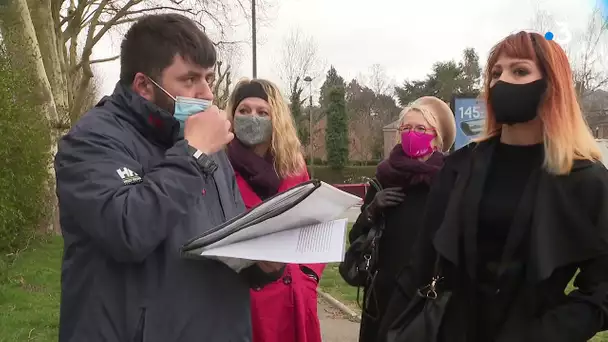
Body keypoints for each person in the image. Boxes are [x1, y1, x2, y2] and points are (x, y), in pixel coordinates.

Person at [54, 14, 284, 342]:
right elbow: (127, 230)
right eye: (190, 80)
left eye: (209, 78)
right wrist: (193, 153)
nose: (206, 94)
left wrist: (261, 265)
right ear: (144, 85)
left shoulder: (209, 145)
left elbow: (227, 237)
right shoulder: (90, 141)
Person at [382, 31, 608, 342]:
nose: (500, 82)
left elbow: (602, 288)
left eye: (520, 71)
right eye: (495, 73)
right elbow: (418, 265)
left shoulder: (585, 179)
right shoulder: (460, 167)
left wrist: (547, 333)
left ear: (552, 86)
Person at [347, 96, 455, 342]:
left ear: (436, 138)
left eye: (420, 128)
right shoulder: (384, 178)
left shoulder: (451, 181)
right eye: (405, 128)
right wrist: (372, 209)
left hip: (427, 297)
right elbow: (357, 237)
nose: (411, 133)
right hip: (383, 294)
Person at [225, 78, 325, 342]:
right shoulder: (218, 165)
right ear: (232, 116)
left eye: (262, 112)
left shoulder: (294, 167)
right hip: (240, 302)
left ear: (275, 118)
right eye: (244, 110)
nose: (252, 118)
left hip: (292, 300)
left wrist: (309, 275)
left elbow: (315, 223)